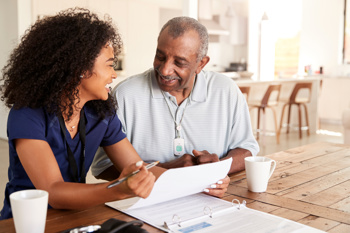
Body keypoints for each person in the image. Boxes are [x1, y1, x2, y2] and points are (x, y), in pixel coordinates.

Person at [0, 8, 162, 220]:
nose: (114, 74)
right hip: (26, 223)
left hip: (76, 216)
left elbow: (137, 168)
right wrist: (117, 189)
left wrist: (203, 181)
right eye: (110, 65)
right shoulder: (28, 114)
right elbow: (54, 191)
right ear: (81, 69)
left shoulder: (102, 113)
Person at [91, 17, 259, 185]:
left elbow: (247, 149)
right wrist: (166, 171)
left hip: (210, 200)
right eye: (160, 56)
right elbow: (103, 167)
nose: (165, 69)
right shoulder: (125, 95)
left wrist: (214, 171)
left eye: (179, 62)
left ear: (201, 63)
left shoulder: (226, 90)